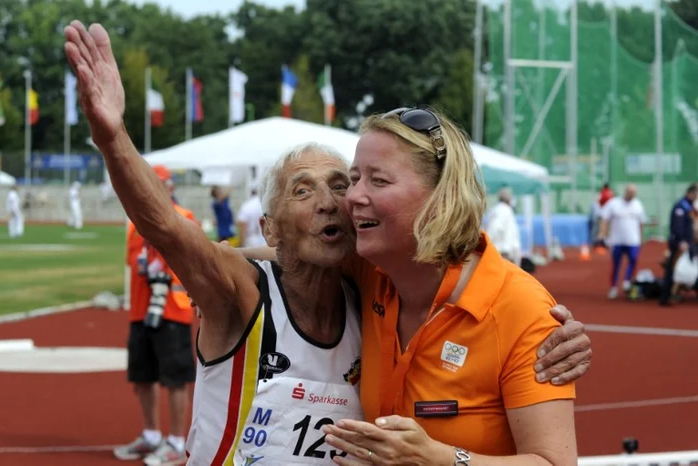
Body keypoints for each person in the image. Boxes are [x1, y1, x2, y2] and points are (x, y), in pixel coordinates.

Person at [64, 23, 591, 465]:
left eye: (356, 183)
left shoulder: (408, 285)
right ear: (270, 228)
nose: (342, 199)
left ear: (436, 196)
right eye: (306, 190)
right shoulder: (292, 286)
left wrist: (440, 458)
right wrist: (111, 136)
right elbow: (176, 236)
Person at [321, 108, 580, 465]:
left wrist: (438, 458)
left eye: (378, 181)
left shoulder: (521, 309)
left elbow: (555, 463)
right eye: (354, 178)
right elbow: (278, 256)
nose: (353, 196)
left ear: (441, 196)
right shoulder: (372, 270)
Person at [113, 164, 197, 465]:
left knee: (175, 378)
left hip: (173, 311)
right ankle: (150, 435)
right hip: (140, 311)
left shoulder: (184, 218)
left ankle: (176, 441)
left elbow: (193, 259)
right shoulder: (135, 225)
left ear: (170, 187)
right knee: (142, 377)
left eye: (158, 183)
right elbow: (133, 264)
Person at [596, 184, 647, 299]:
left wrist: (642, 236)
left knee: (633, 260)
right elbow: (605, 219)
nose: (632, 194)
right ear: (626, 191)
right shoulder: (614, 203)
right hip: (617, 240)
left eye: (634, 192)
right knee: (616, 264)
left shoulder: (638, 205)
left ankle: (627, 281)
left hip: (633, 240)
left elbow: (642, 222)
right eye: (630, 192)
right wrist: (603, 234)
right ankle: (613, 287)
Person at [659, 183, 698, 306]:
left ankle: (670, 294)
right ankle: (665, 296)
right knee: (672, 269)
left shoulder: (689, 207)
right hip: (679, 243)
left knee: (676, 269)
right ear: (690, 193)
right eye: (695, 194)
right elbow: (678, 227)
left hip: (686, 243)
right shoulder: (681, 206)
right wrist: (681, 241)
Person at [485, 186, 521, 266]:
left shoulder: (500, 210)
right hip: (503, 252)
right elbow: (495, 228)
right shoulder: (503, 210)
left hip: (503, 251)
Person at [237, 182, 266, 247]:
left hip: (251, 243)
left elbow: (243, 225)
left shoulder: (246, 206)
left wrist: (241, 244)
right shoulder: (265, 204)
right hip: (265, 242)